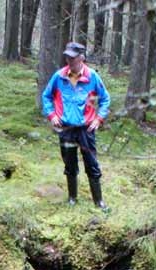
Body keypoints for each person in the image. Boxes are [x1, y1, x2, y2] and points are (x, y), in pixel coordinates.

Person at [41, 42, 111, 209]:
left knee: (91, 163)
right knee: (69, 163)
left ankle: (98, 201)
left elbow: (105, 99)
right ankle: (72, 198)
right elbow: (46, 96)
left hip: (86, 129)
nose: (69, 60)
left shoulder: (92, 77)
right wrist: (52, 115)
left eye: (73, 57)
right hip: (66, 128)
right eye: (67, 57)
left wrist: (99, 118)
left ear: (82, 58)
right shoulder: (59, 77)